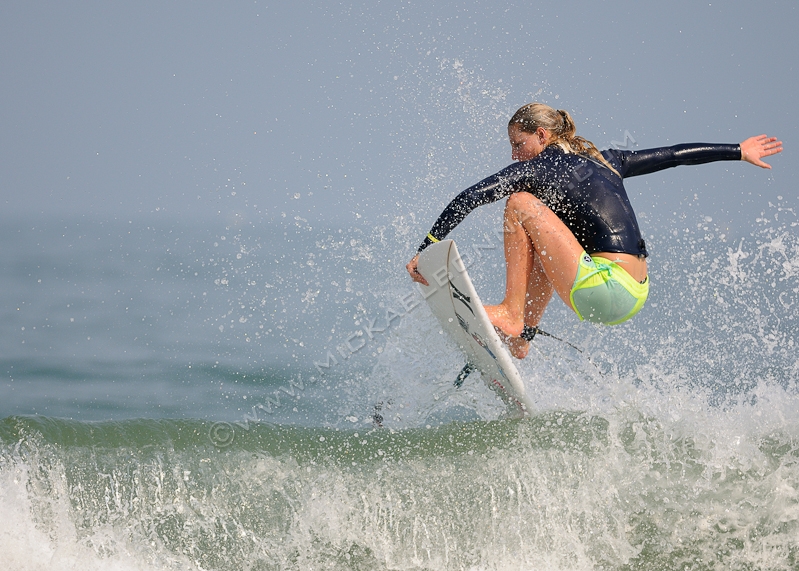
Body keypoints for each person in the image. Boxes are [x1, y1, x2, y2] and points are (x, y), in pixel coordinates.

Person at [406, 102, 782, 359]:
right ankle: (523, 337)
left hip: (603, 289)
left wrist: (427, 246)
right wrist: (737, 150)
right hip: (635, 291)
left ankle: (510, 313)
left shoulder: (536, 170)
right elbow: (673, 156)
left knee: (520, 203)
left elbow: (471, 197)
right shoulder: (608, 160)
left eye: (518, 145)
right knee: (545, 229)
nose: (514, 155)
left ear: (541, 135)